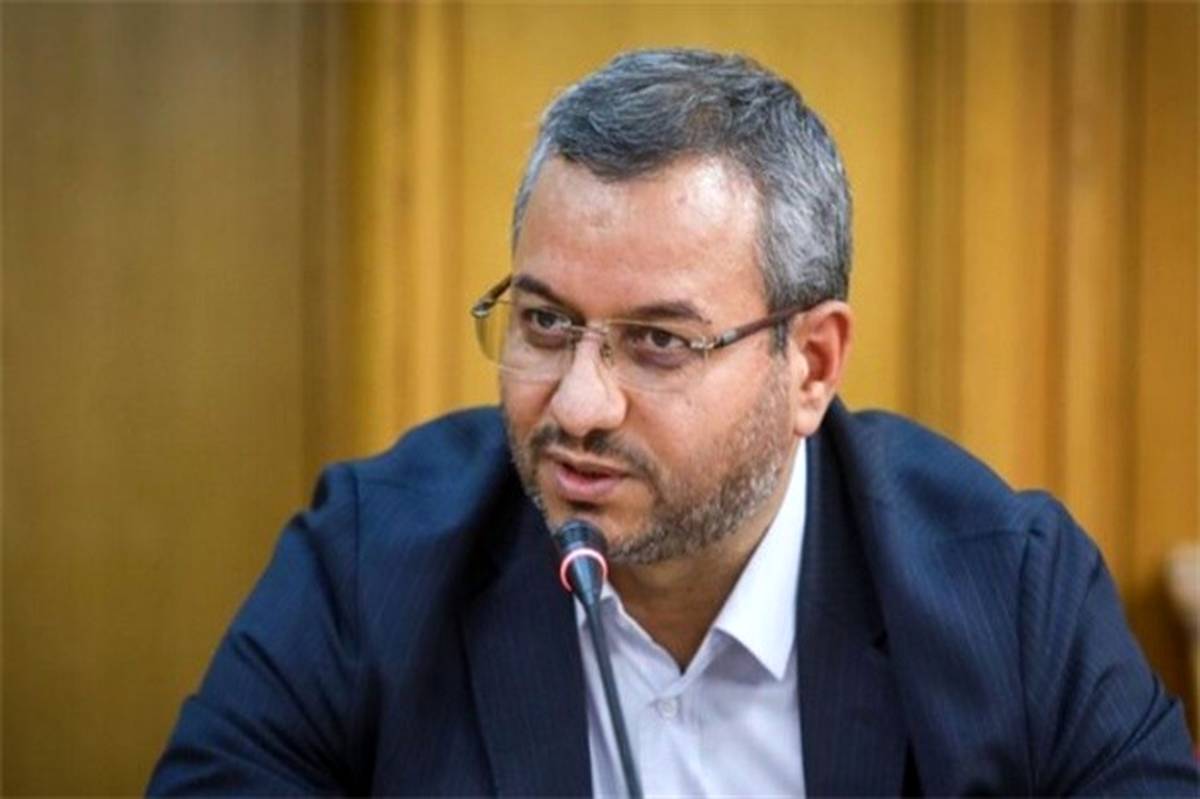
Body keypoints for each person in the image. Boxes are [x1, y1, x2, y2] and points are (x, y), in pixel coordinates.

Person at [148, 48, 1198, 796]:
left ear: (811, 364)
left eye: (658, 340)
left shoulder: (1009, 590)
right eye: (545, 322)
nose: (578, 404)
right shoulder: (371, 557)